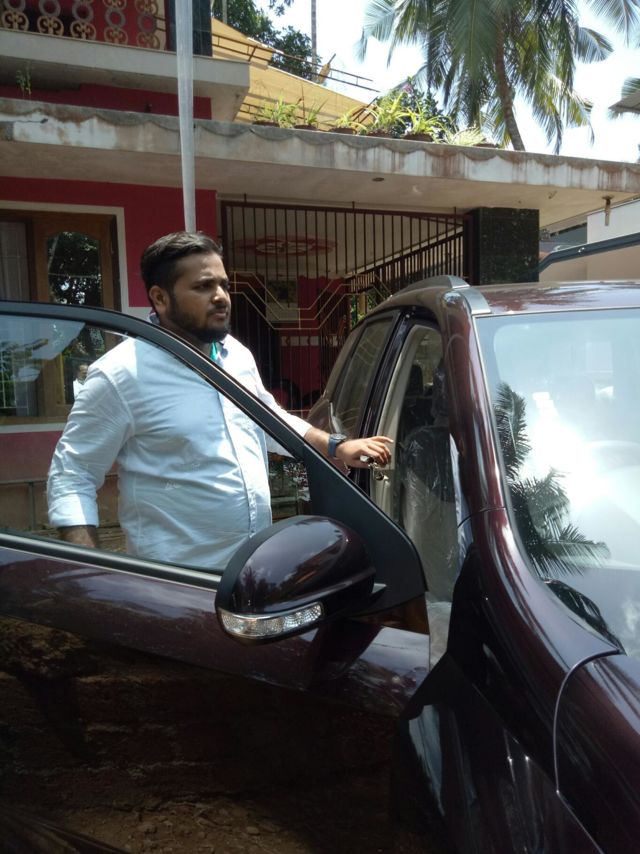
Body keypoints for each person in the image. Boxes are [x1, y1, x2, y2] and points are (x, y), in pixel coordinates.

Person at [47, 231, 392, 571]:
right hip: (177, 579)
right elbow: (72, 475)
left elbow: (268, 419)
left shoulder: (236, 356)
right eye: (203, 286)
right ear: (160, 298)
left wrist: (335, 446)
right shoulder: (120, 374)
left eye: (224, 285)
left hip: (253, 568)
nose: (221, 297)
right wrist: (88, 573)